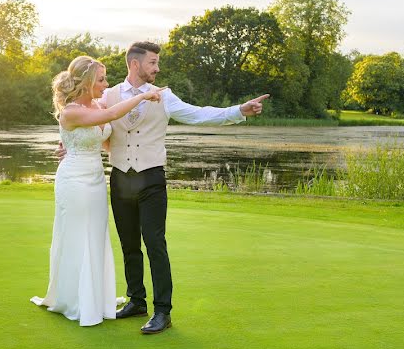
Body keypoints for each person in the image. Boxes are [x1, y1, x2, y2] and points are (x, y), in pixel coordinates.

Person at [57, 41, 269, 334]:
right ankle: (136, 301)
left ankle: (162, 311)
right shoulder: (109, 94)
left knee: (155, 244)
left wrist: (239, 111)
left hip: (151, 178)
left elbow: (200, 114)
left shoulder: (165, 97)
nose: (157, 68)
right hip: (120, 178)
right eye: (153, 62)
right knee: (129, 244)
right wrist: (66, 144)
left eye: (157, 63)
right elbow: (88, 118)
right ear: (135, 64)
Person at [31, 55, 164, 326]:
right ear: (88, 82)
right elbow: (111, 115)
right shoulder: (71, 111)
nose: (106, 84)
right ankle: (76, 299)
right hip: (74, 180)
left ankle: (96, 295)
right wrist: (142, 97)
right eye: (101, 79)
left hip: (94, 179)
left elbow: (106, 138)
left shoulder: (95, 103)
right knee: (78, 235)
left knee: (96, 234)